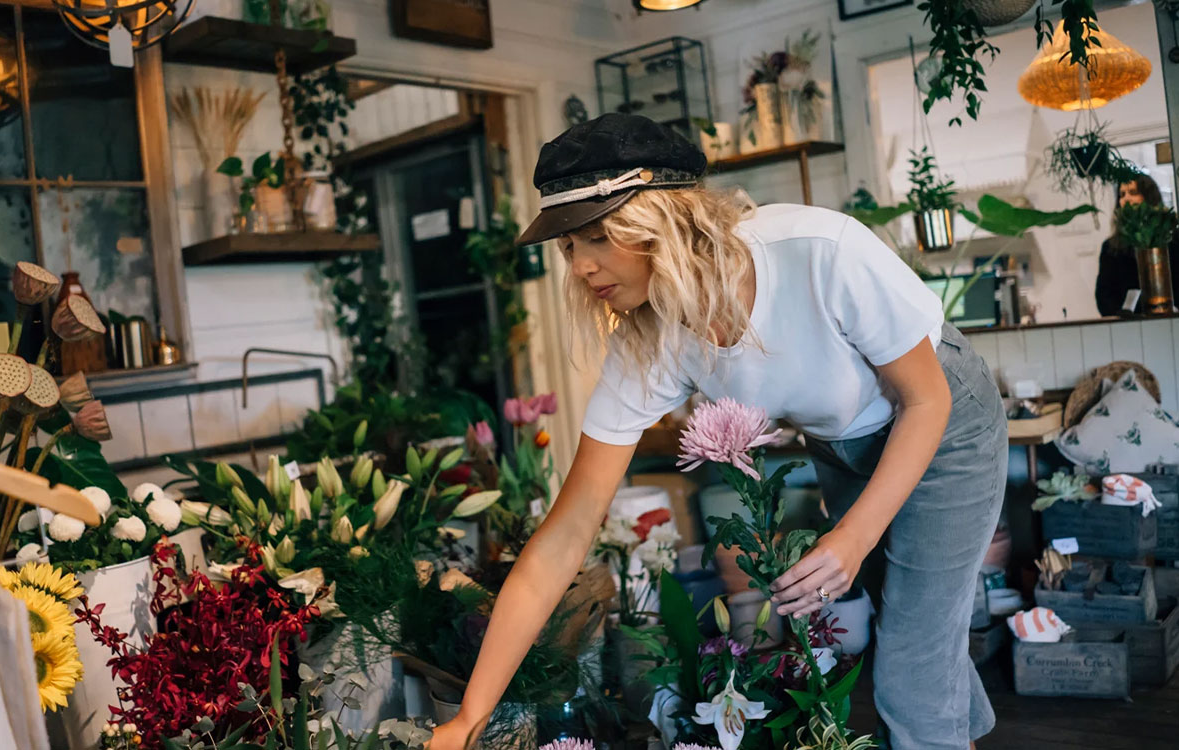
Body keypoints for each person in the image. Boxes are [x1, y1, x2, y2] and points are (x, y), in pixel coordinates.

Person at [428, 114, 1006, 750]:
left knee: (913, 654)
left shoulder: (819, 250)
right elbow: (564, 537)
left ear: (663, 217)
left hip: (946, 420)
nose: (583, 266)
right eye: (569, 247)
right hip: (843, 447)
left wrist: (853, 535)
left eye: (597, 236)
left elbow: (927, 399)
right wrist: (467, 717)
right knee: (915, 623)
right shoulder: (646, 341)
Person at [1095, 174, 1179, 316]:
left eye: (1133, 193)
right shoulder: (1111, 247)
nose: (1126, 198)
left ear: (1148, 197)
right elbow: (1104, 295)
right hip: (1129, 324)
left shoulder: (1172, 238)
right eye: (1122, 194)